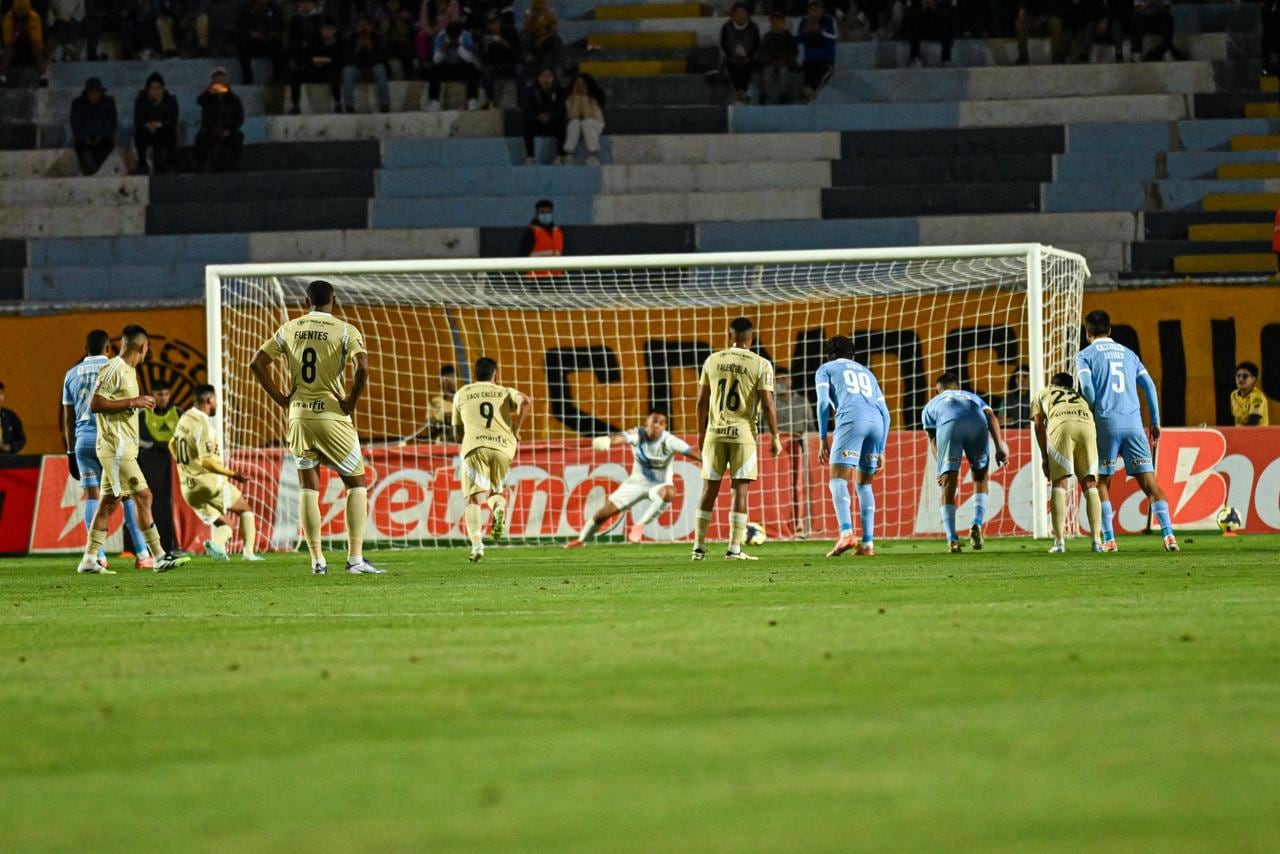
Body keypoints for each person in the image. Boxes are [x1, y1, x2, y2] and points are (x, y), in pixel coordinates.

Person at [250, 280, 383, 575]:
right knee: (356, 484)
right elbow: (362, 367)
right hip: (332, 415)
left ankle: (317, 561)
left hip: (298, 416)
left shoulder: (289, 328)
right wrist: (350, 402)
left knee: (308, 488)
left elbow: (257, 363)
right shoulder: (345, 330)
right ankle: (355, 559)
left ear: (305, 299)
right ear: (334, 299)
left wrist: (282, 399)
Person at [75, 325, 190, 574]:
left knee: (108, 503)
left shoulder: (129, 371)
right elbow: (94, 404)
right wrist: (133, 402)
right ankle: (158, 555)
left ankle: (89, 558)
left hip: (122, 447)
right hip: (116, 448)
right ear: (143, 346)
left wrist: (134, 404)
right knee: (144, 496)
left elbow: (115, 405)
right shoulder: (115, 368)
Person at [1076, 308, 1178, 552]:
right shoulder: (1130, 354)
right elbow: (1150, 386)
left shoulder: (1085, 355)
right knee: (1149, 483)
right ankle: (1169, 534)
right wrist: (1155, 421)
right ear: (1109, 330)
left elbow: (1088, 389)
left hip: (1105, 423)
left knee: (1102, 482)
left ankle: (1110, 539)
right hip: (1134, 425)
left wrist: (1090, 411)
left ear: (1088, 332)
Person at [61, 330, 152, 569]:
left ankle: (98, 556)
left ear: (85, 348)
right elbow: (126, 404)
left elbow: (68, 417)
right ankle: (143, 553)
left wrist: (70, 452)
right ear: (108, 348)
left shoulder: (70, 374)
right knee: (130, 495)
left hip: (83, 441)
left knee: (94, 497)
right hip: (112, 439)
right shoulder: (117, 366)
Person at [693, 317, 782, 561]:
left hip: (714, 433)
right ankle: (734, 549)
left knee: (709, 488)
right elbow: (767, 402)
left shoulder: (713, 359)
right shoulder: (761, 364)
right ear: (751, 337)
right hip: (743, 434)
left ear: (728, 335)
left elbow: (701, 401)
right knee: (739, 491)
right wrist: (775, 436)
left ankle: (698, 547)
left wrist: (701, 433)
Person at [566, 409, 702, 548]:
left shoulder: (670, 441)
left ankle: (639, 526)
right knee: (603, 514)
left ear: (665, 427)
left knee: (669, 492)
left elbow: (692, 452)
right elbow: (620, 438)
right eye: (654, 421)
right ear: (646, 422)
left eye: (661, 423)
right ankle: (581, 540)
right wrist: (608, 440)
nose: (657, 425)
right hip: (636, 484)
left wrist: (713, 463)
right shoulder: (638, 435)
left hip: (659, 486)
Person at [452, 357, 533, 563]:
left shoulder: (462, 393)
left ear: (474, 374)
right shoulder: (504, 391)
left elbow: (456, 433)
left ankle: (477, 544)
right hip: (503, 448)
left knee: (473, 499)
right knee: (496, 493)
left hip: (474, 447)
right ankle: (498, 508)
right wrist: (516, 430)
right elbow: (526, 401)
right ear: (496, 374)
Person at [815, 335, 890, 557]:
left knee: (838, 479)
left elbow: (821, 403)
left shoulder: (826, 368)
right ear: (853, 355)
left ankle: (846, 533)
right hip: (876, 423)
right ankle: (867, 544)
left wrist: (822, 438)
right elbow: (886, 413)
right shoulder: (868, 372)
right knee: (864, 485)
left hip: (851, 420)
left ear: (829, 355)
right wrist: (882, 448)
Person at [170, 384, 264, 561]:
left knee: (225, 524)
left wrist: (186, 466)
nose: (216, 404)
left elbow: (171, 445)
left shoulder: (184, 419)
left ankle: (217, 545)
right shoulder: (203, 425)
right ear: (209, 400)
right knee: (245, 510)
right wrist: (233, 474)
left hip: (189, 490)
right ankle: (249, 554)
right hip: (209, 483)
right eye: (215, 400)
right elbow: (206, 461)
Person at [921, 372, 1009, 553]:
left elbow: (933, 439)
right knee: (980, 478)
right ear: (957, 386)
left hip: (949, 425)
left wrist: (941, 468)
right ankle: (976, 524)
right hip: (976, 421)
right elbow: (991, 416)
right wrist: (999, 446)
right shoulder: (972, 396)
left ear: (938, 390)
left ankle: (952, 539)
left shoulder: (932, 404)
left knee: (948, 484)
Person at [1033, 372, 1104, 554]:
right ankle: (1097, 541)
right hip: (1087, 427)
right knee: (1090, 483)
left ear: (1052, 383)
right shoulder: (1080, 396)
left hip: (1062, 426)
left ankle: (1059, 542)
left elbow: (1038, 425)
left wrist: (1044, 455)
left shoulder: (1042, 393)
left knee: (1060, 483)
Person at [138, 378, 181, 554]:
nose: (163, 398)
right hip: (151, 463)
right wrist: (161, 446)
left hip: (174, 464)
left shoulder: (178, 413)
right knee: (153, 503)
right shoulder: (143, 415)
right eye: (159, 394)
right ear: (152, 396)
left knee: (169, 504)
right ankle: (151, 547)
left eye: (166, 394)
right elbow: (140, 441)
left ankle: (171, 545)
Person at [194, 67, 245, 172]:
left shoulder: (234, 98)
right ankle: (199, 166)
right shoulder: (207, 97)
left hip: (228, 131)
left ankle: (234, 166)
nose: (220, 83)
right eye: (217, 80)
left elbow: (239, 118)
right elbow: (199, 101)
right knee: (201, 137)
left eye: (222, 80)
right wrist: (208, 93)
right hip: (210, 130)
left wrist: (229, 130)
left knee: (238, 136)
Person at [289, 13, 342, 113]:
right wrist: (316, 61)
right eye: (324, 29)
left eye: (330, 29)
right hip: (313, 71)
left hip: (329, 72)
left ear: (334, 30)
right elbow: (307, 56)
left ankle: (337, 103)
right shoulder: (314, 41)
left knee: (335, 76)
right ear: (321, 30)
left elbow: (339, 60)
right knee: (295, 75)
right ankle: (296, 105)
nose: (327, 32)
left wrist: (326, 61)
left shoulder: (339, 42)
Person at [343, 14, 392, 113]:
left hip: (373, 68)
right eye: (360, 26)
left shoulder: (378, 37)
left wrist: (371, 47)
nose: (363, 28)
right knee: (347, 71)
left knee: (380, 69)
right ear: (356, 27)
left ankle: (385, 104)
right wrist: (357, 49)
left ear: (371, 26)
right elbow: (346, 60)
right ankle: (349, 106)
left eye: (366, 25)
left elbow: (382, 59)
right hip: (357, 69)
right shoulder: (350, 38)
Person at [427, 20, 480, 111]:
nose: (452, 40)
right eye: (451, 37)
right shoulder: (441, 37)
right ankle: (435, 101)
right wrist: (443, 51)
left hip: (461, 66)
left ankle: (472, 100)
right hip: (446, 66)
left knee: (471, 69)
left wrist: (458, 47)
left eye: (455, 37)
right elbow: (436, 60)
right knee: (435, 69)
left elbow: (469, 59)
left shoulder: (466, 36)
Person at [133, 71, 178, 175]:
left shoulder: (171, 100)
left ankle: (170, 164)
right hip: (147, 131)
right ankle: (143, 165)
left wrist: (160, 124)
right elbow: (138, 119)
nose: (155, 91)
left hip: (163, 130)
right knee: (139, 134)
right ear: (148, 90)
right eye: (152, 88)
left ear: (162, 89)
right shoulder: (141, 100)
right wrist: (147, 124)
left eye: (158, 88)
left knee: (171, 135)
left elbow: (172, 119)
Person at [70, 77, 117, 176]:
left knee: (105, 146)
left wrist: (101, 136)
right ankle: (89, 168)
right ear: (87, 93)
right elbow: (75, 125)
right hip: (84, 140)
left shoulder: (109, 102)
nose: (95, 95)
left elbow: (111, 122)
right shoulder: (77, 104)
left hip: (103, 139)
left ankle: (94, 169)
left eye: (97, 92)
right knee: (81, 147)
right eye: (92, 92)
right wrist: (85, 138)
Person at [521, 66, 565, 164]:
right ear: (538, 78)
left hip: (553, 122)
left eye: (549, 76)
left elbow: (562, 110)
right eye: (543, 76)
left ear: (553, 78)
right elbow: (526, 110)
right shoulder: (530, 91)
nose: (546, 79)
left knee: (563, 123)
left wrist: (550, 116)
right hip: (536, 122)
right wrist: (538, 117)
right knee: (526, 123)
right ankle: (530, 156)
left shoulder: (560, 91)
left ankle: (560, 156)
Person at [794, 0, 836, 103]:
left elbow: (833, 37)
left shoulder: (829, 20)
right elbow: (795, 40)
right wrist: (805, 32)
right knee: (798, 82)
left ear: (822, 10)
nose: (814, 12)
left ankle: (807, 97)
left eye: (817, 9)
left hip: (825, 62)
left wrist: (820, 31)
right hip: (808, 62)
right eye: (811, 9)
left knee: (812, 86)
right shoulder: (803, 21)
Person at [0, 0, 49, 86]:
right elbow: (7, 41)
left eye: (23, 10)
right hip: (15, 47)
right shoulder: (8, 18)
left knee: (37, 51)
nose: (21, 13)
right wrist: (16, 33)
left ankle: (44, 77)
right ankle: (2, 77)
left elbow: (37, 41)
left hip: (30, 46)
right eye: (19, 10)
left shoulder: (34, 17)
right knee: (7, 51)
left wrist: (28, 31)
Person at [479, 7, 520, 108]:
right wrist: (485, 47)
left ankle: (521, 101)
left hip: (511, 64)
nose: (493, 26)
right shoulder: (485, 36)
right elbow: (485, 61)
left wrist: (504, 43)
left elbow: (517, 53)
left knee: (520, 70)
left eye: (495, 23)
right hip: (495, 65)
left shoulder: (510, 31)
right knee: (486, 72)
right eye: (490, 24)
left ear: (499, 22)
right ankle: (491, 100)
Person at [720, 2, 760, 104]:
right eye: (737, 12)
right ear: (733, 15)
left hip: (749, 58)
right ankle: (739, 92)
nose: (740, 15)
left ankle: (743, 92)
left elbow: (756, 45)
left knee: (750, 66)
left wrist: (748, 57)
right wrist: (732, 56)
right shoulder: (726, 27)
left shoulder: (753, 28)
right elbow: (723, 44)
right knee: (731, 66)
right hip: (731, 58)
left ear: (747, 14)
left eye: (743, 12)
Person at [561, 72, 604, 165]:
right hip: (577, 125)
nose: (580, 88)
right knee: (574, 122)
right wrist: (576, 98)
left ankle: (593, 155)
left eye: (583, 85)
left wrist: (584, 98)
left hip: (594, 124)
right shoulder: (569, 100)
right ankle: (569, 154)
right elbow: (572, 115)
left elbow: (588, 114)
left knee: (586, 122)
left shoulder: (593, 99)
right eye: (577, 85)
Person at [236, 0, 282, 84]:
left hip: (270, 42)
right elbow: (241, 27)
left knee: (279, 49)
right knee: (243, 48)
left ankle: (278, 78)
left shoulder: (274, 8)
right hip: (252, 42)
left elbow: (279, 25)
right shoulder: (246, 8)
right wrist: (251, 34)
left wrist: (271, 34)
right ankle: (247, 78)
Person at [759, 10, 798, 105]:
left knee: (783, 72)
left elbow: (793, 52)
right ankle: (765, 96)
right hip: (770, 63)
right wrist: (771, 61)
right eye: (774, 22)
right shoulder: (767, 37)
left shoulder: (788, 37)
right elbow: (763, 52)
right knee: (767, 73)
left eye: (779, 22)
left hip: (785, 63)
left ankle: (783, 96)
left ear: (783, 24)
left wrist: (784, 61)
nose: (776, 24)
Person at [518, 198, 564, 275]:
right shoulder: (531, 232)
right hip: (537, 278)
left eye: (548, 212)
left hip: (556, 278)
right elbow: (522, 255)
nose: (546, 215)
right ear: (536, 214)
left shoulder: (558, 232)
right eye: (542, 212)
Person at [904, 0, 955, 68]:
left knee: (948, 33)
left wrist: (934, 9)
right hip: (921, 31)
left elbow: (949, 16)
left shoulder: (941, 5)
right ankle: (916, 58)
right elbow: (908, 16)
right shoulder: (915, 5)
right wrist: (922, 8)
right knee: (913, 31)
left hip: (936, 31)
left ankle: (946, 59)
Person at [1015, 0, 1064, 65]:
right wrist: (1024, 17)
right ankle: (1023, 57)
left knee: (1055, 22)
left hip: (1048, 19)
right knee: (1020, 23)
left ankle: (1057, 56)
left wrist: (1041, 19)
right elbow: (1022, 11)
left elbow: (1056, 11)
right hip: (1032, 20)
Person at [520, 0, 561, 76]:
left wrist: (542, 38)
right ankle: (529, 56)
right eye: (537, 10)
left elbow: (553, 29)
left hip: (547, 37)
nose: (539, 12)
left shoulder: (550, 13)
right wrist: (530, 20)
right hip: (534, 36)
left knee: (556, 40)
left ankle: (553, 65)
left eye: (541, 10)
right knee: (524, 37)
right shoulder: (529, 14)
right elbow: (527, 29)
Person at [376, 0, 415, 78]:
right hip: (387, 43)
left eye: (395, 2)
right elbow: (379, 33)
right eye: (390, 2)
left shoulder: (406, 15)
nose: (393, 4)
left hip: (402, 43)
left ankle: (409, 77)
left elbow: (409, 32)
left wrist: (399, 21)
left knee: (406, 52)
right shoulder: (380, 15)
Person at [425, 363, 458, 441]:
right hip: (441, 447)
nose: (455, 381)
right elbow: (429, 431)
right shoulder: (435, 402)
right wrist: (434, 424)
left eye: (455, 377)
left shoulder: (462, 400)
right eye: (452, 377)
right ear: (443, 380)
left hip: (460, 448)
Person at [1231, 361, 1268, 426]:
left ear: (1253, 379)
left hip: (1257, 434)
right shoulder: (1233, 395)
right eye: (1238, 376)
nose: (1240, 379)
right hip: (1239, 434)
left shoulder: (1258, 397)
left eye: (1245, 376)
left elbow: (1253, 422)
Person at [0, 381, 25, 455]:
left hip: (8, 460)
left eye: (1, 393)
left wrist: (10, 447)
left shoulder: (10, 415)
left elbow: (21, 438)